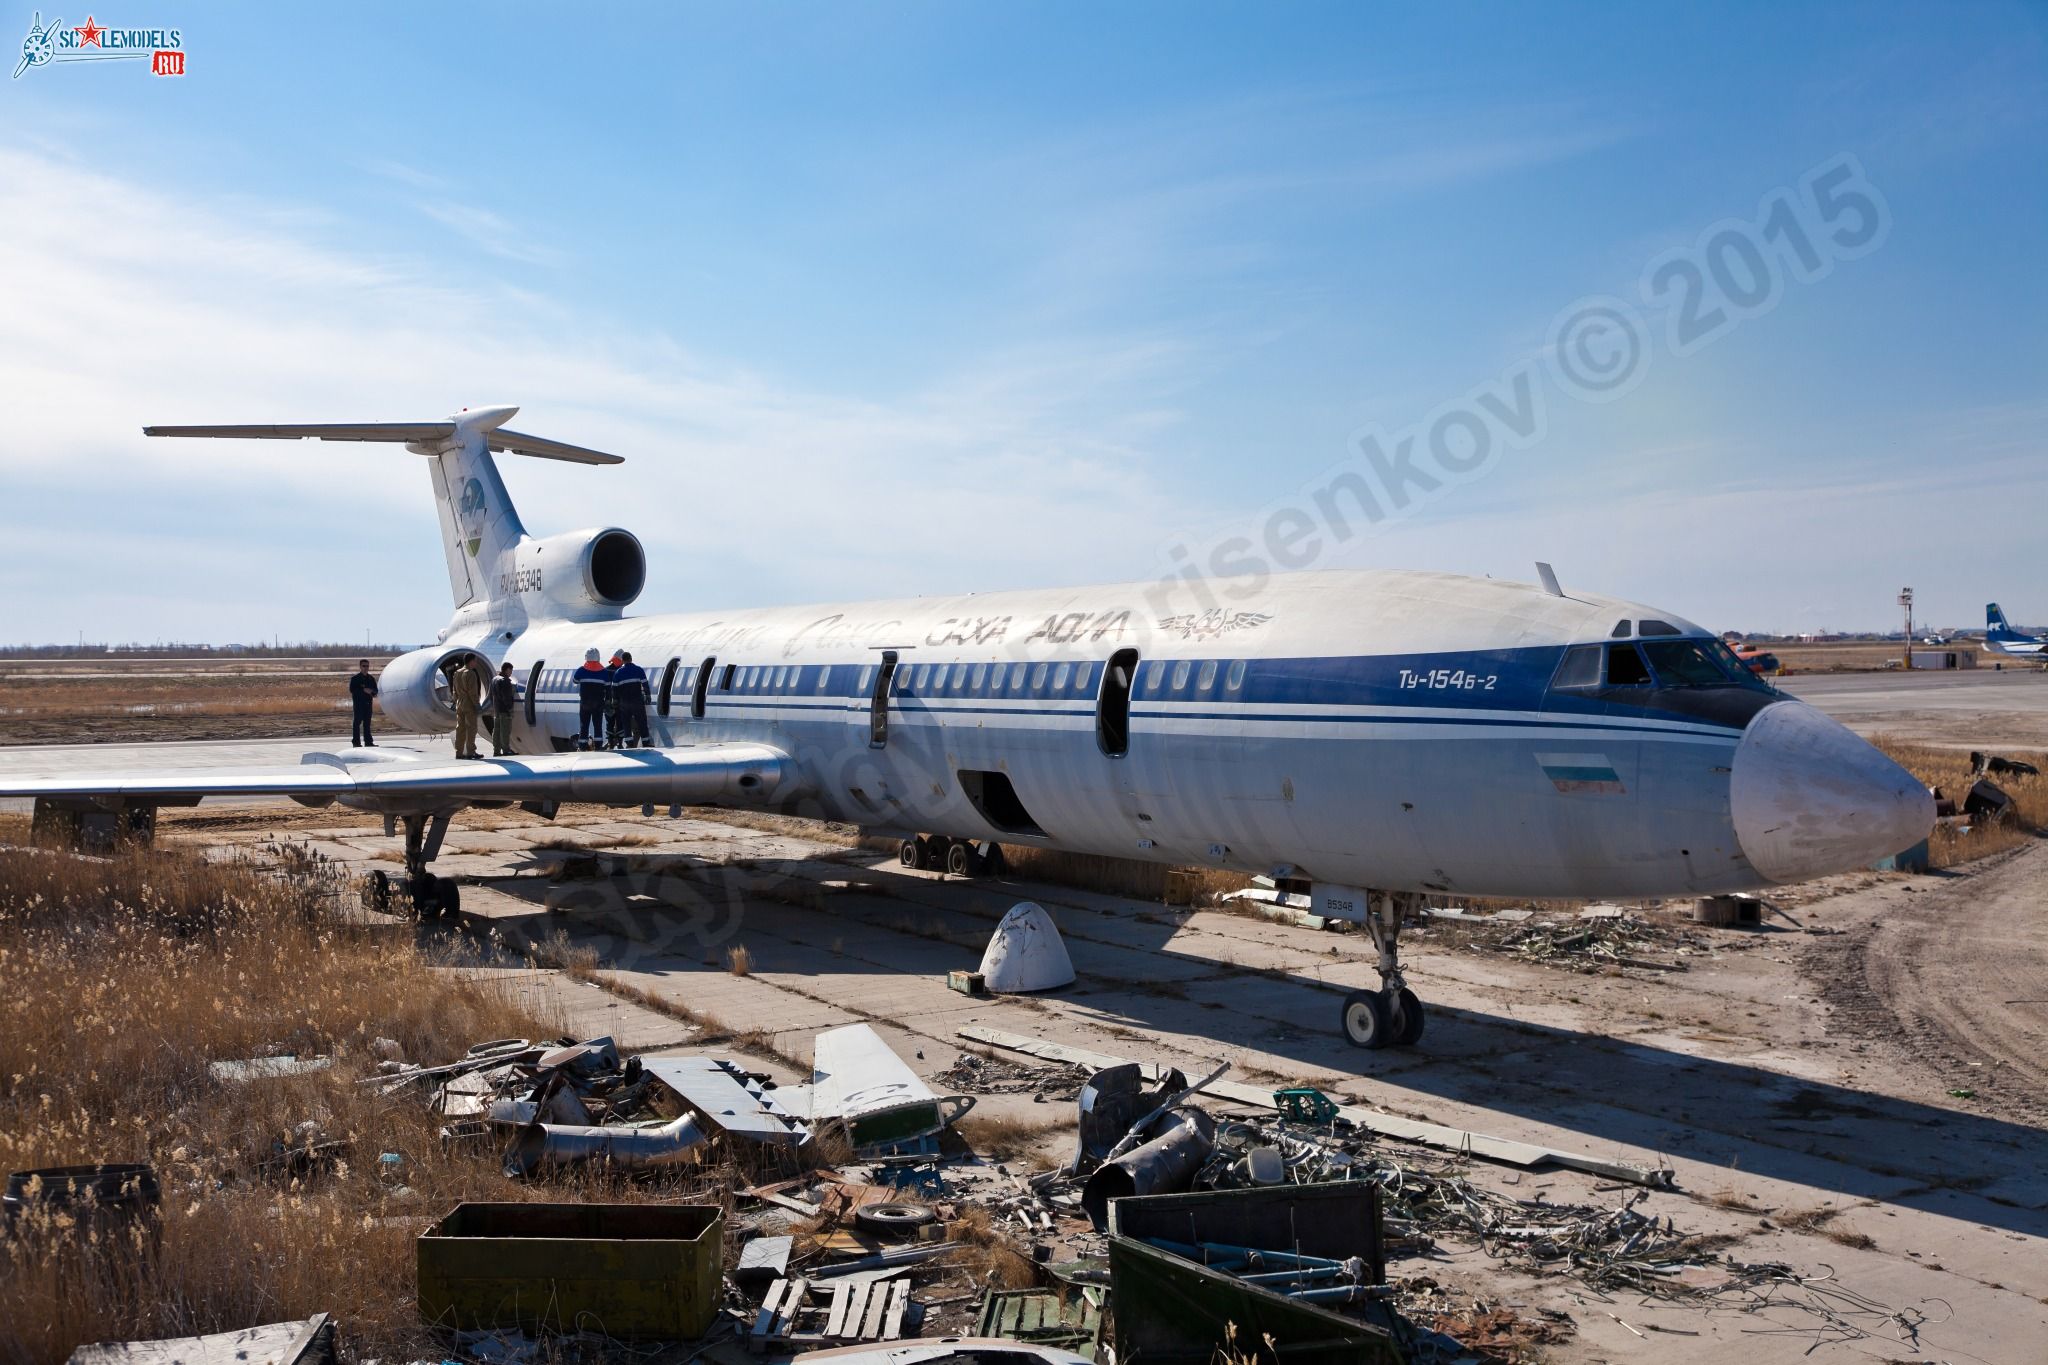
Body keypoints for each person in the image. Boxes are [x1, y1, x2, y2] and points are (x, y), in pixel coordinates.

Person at [452, 654, 491, 760]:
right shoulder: (471, 674)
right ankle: (471, 752)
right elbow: (472, 692)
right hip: (469, 703)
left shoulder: (457, 673)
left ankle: (459, 752)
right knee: (471, 728)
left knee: (460, 728)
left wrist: (456, 700)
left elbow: (454, 690)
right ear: (471, 661)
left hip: (459, 703)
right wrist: (477, 705)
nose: (476, 663)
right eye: (475, 661)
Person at [613, 650, 650, 747]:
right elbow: (645, 684)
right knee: (642, 722)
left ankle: (629, 743)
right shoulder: (639, 670)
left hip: (624, 703)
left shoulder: (618, 672)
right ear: (631, 659)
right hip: (637, 701)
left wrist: (615, 700)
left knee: (626, 724)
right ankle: (646, 742)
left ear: (622, 660)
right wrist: (648, 695)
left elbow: (614, 689)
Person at [575, 648, 610, 749]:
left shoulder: (581, 670)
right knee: (597, 725)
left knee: (584, 725)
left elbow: (575, 680)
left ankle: (582, 746)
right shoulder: (603, 671)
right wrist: (608, 701)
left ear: (586, 658)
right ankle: (598, 746)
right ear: (598, 658)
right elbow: (608, 688)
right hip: (598, 703)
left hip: (585, 703)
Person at [490, 662, 520, 757]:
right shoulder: (505, 681)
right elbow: (506, 697)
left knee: (497, 731)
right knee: (505, 731)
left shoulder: (494, 679)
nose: (511, 673)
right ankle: (506, 750)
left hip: (497, 709)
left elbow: (492, 695)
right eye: (511, 670)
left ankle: (496, 750)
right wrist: (509, 709)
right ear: (507, 670)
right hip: (504, 710)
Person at [349, 658, 378, 747]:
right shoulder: (355, 679)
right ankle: (356, 742)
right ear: (360, 667)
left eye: (367, 666)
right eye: (364, 666)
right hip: (359, 704)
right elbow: (352, 690)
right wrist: (363, 690)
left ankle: (368, 742)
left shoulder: (371, 678)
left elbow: (375, 690)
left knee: (367, 724)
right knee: (357, 723)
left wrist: (372, 692)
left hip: (368, 704)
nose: (366, 668)